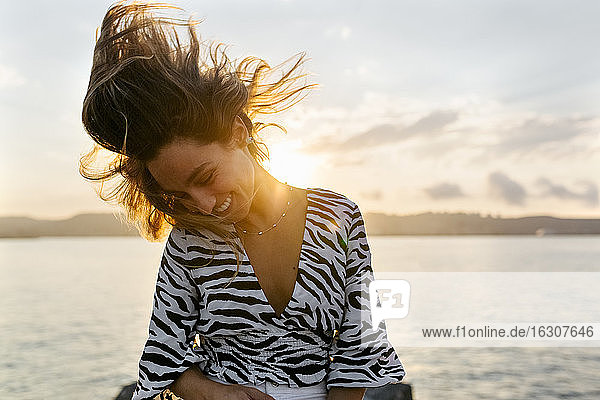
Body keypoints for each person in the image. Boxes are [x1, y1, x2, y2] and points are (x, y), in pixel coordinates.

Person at [80, 2, 405, 400]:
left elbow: (362, 342)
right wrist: (216, 393)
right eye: (180, 194)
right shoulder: (189, 242)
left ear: (237, 132)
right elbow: (161, 361)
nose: (202, 204)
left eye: (205, 177)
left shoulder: (339, 217)